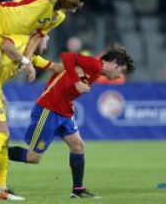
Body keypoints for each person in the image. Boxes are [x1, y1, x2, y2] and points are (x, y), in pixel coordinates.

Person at [7, 46, 135, 198]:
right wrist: (76, 81)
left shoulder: (95, 71)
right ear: (114, 63)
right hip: (49, 108)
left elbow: (68, 71)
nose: (120, 76)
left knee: (78, 146)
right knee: (33, 158)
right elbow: (67, 55)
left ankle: (78, 190)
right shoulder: (95, 64)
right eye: (121, 71)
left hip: (65, 111)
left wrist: (73, 78)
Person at [0, 33, 62, 200]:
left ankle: (1, 189)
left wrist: (83, 69)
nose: (46, 47)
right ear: (39, 37)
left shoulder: (30, 56)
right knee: (1, 134)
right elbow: (5, 46)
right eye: (46, 41)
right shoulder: (20, 40)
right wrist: (26, 62)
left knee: (3, 141)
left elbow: (54, 67)